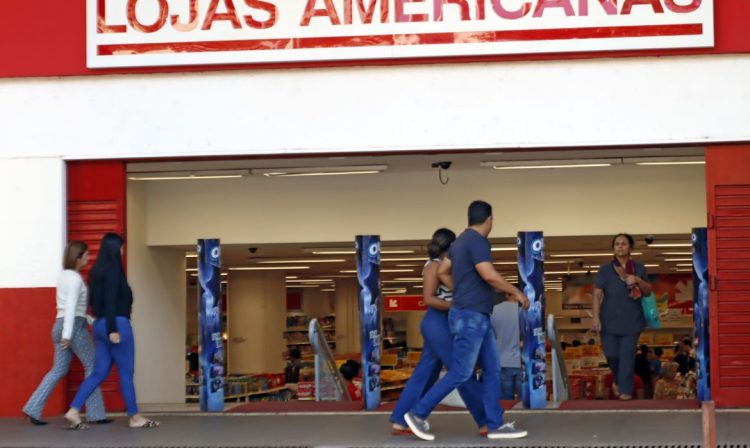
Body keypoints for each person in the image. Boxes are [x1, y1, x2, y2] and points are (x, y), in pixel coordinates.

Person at [404, 200, 530, 441]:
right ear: (489, 220)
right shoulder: (478, 241)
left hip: (475, 314)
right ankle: (418, 413)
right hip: (471, 316)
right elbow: (487, 273)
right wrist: (517, 292)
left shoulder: (460, 241)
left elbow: (442, 271)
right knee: (461, 372)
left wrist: (461, 291)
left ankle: (495, 424)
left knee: (493, 369)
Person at [390, 228, 488, 436]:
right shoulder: (433, 266)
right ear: (451, 245)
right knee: (462, 370)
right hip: (437, 323)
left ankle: (401, 419)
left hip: (445, 323)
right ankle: (486, 419)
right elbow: (428, 299)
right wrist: (458, 305)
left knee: (426, 371)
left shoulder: (450, 265)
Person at [64, 233, 160, 429]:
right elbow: (109, 300)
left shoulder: (95, 271)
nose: (122, 251)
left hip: (99, 325)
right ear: (115, 248)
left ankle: (73, 410)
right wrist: (113, 329)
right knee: (126, 373)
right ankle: (134, 417)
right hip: (116, 325)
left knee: (98, 373)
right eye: (121, 247)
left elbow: (93, 302)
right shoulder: (113, 270)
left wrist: (104, 327)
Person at [22, 241, 112, 426]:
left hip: (62, 325)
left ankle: (33, 408)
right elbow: (70, 307)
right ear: (78, 258)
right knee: (93, 367)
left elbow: (69, 307)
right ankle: (96, 415)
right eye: (86, 255)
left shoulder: (64, 276)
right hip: (72, 329)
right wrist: (68, 335)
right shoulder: (75, 279)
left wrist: (87, 319)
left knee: (58, 370)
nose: (88, 258)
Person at [592, 233, 652, 400]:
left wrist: (638, 280)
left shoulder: (639, 268)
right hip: (608, 320)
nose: (619, 246)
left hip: (632, 320)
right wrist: (595, 317)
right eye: (617, 244)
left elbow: (648, 292)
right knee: (611, 354)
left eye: (623, 244)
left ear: (630, 247)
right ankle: (618, 380)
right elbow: (597, 294)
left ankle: (625, 391)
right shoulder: (605, 269)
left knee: (627, 355)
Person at [491, 297, 522, 401]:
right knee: (525, 402)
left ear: (506, 294)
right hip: (522, 362)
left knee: (506, 401)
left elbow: (490, 337)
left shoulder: (494, 310)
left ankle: (509, 417)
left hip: (502, 361)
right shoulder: (523, 311)